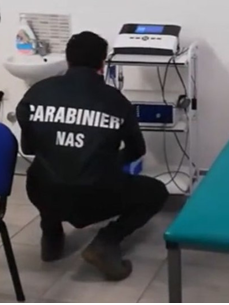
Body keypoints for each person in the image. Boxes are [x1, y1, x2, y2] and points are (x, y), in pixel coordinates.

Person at [16, 31, 168, 281]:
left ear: (68, 61)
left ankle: (51, 237)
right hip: (97, 196)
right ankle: (106, 242)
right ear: (102, 63)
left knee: (46, 172)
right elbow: (136, 151)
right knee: (156, 192)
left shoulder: (37, 93)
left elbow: (30, 149)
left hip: (44, 193)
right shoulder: (116, 101)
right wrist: (110, 164)